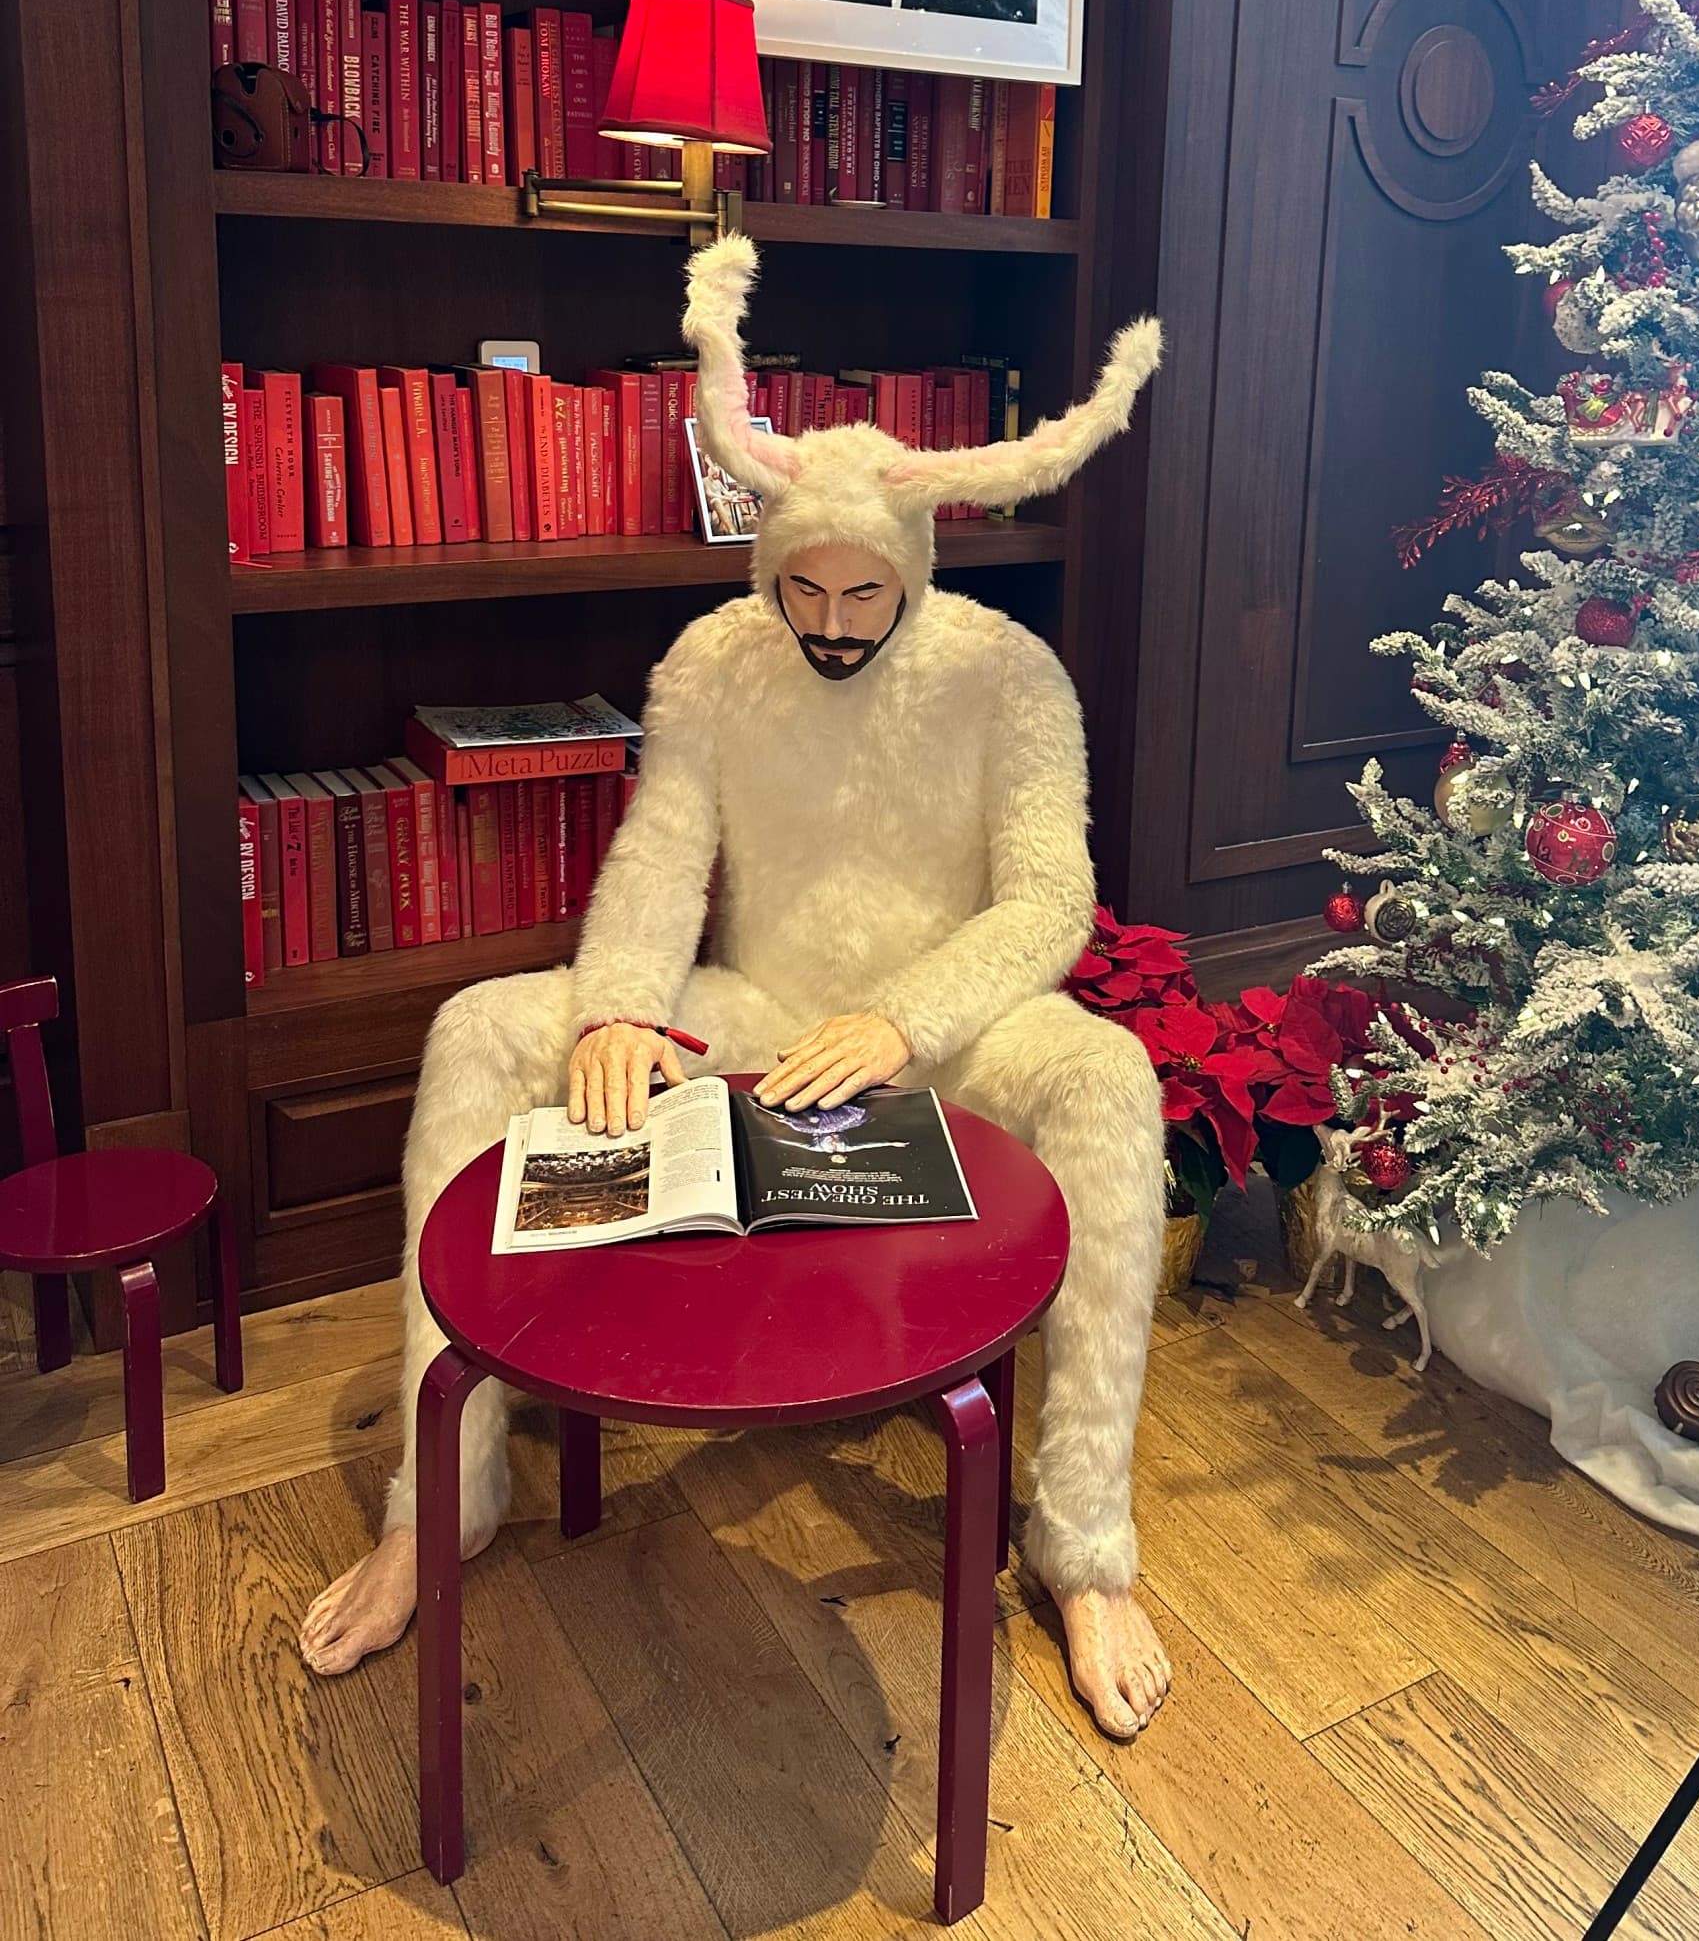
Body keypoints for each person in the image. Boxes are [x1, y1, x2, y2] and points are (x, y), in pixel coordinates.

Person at [300, 233, 1174, 1738]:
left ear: (914, 569)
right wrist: (622, 1009)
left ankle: (1082, 1542)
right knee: (474, 1032)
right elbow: (656, 856)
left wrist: (907, 1018)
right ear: (771, 572)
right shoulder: (713, 660)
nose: (831, 624)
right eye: (804, 591)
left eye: (862, 593)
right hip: (761, 1004)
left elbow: (1052, 899)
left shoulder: (1011, 674)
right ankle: (442, 1497)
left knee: (1110, 1078)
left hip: (947, 1030)